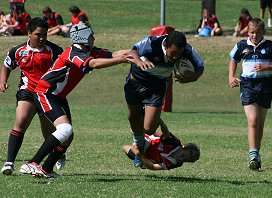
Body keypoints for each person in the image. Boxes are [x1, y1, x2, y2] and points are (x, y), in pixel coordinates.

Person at [18, 23, 132, 178]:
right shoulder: (74, 52)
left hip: (58, 96)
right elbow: (93, 64)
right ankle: (31, 163)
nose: (93, 38)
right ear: (84, 37)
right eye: (91, 35)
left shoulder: (90, 51)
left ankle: (46, 169)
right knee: (65, 130)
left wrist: (138, 52)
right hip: (46, 93)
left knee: (68, 137)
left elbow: (115, 54)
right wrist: (121, 60)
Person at [124, 31, 204, 168]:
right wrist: (138, 62)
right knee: (133, 117)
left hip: (157, 87)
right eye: (173, 53)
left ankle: (139, 149)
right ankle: (139, 148)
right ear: (166, 45)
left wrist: (193, 77)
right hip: (136, 82)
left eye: (179, 54)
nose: (175, 57)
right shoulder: (152, 43)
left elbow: (200, 65)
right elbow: (133, 51)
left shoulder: (188, 50)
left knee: (149, 129)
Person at [1, 17, 64, 175]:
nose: (42, 38)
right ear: (29, 33)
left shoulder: (55, 51)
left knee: (49, 133)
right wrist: (3, 81)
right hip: (27, 92)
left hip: (47, 94)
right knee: (20, 122)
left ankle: (59, 154)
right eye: (38, 34)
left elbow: (66, 69)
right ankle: (9, 163)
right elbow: (7, 65)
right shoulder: (18, 51)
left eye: (45, 35)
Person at [228, 18, 272, 171]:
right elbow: (233, 59)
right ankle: (253, 156)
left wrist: (267, 67)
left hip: (265, 87)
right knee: (253, 120)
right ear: (248, 31)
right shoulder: (242, 45)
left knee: (260, 124)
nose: (254, 35)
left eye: (258, 32)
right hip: (248, 86)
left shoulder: (270, 46)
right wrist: (231, 76)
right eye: (252, 32)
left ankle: (256, 154)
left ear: (263, 32)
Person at [123, 119, 200, 170]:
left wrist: (138, 154)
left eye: (184, 160)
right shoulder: (175, 144)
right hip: (148, 142)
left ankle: (138, 158)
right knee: (136, 133)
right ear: (183, 147)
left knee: (127, 148)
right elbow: (166, 132)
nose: (181, 159)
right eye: (183, 155)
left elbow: (153, 167)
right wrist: (159, 121)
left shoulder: (176, 163)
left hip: (146, 158)